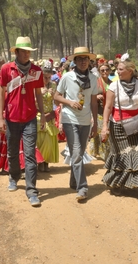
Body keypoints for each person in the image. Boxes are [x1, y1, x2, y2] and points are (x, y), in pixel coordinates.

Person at [100, 55, 138, 200]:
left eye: (120, 69)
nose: (118, 72)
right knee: (123, 156)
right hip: (118, 126)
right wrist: (104, 127)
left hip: (135, 125)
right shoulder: (114, 85)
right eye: (118, 70)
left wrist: (133, 116)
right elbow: (107, 107)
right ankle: (117, 185)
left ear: (130, 71)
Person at [0, 36, 46, 207]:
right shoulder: (6, 69)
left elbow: (39, 94)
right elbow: (1, 95)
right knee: (12, 152)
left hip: (30, 118)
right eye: (23, 51)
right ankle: (14, 176)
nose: (26, 54)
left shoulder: (36, 70)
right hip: (11, 119)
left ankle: (32, 190)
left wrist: (43, 115)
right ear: (16, 52)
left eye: (28, 51)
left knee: (30, 154)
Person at [54, 47, 98, 202]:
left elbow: (93, 102)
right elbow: (56, 97)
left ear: (89, 61)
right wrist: (69, 102)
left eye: (86, 59)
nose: (83, 62)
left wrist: (95, 122)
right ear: (75, 61)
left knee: (78, 153)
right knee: (77, 152)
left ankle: (74, 181)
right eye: (80, 59)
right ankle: (83, 188)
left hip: (86, 121)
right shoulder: (67, 77)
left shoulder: (93, 78)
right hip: (69, 119)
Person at [36, 68, 59, 172]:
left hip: (50, 115)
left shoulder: (53, 85)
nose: (47, 79)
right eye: (45, 77)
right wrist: (40, 94)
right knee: (41, 140)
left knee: (49, 140)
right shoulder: (36, 86)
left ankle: (46, 162)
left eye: (49, 77)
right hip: (38, 115)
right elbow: (32, 101)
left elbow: (57, 101)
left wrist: (54, 95)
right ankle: (40, 162)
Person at [90, 59, 112, 161]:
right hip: (98, 111)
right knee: (97, 132)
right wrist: (96, 96)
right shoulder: (96, 83)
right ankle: (94, 152)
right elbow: (90, 97)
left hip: (109, 111)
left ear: (110, 71)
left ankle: (105, 154)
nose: (105, 72)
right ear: (99, 71)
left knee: (106, 133)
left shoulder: (113, 83)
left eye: (106, 70)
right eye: (102, 70)